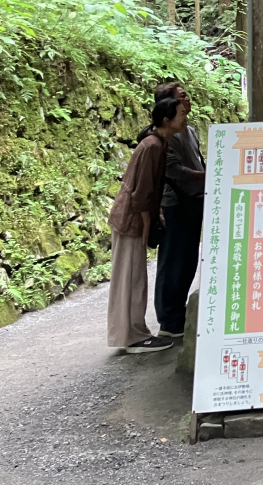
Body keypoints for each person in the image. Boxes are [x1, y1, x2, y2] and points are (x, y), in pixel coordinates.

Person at [107, 96, 186, 352]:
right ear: (166, 120)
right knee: (131, 278)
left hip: (132, 217)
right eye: (181, 114)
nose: (185, 118)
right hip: (131, 219)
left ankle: (130, 333)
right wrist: (146, 225)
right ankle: (133, 337)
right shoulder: (152, 146)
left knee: (132, 278)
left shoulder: (158, 142)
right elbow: (141, 193)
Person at [153, 81, 206, 338]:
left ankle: (179, 313)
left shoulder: (189, 130)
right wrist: (204, 176)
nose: (187, 100)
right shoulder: (164, 136)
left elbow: (197, 160)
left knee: (188, 259)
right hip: (175, 203)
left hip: (194, 200)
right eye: (181, 96)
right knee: (173, 260)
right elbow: (172, 170)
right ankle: (168, 318)